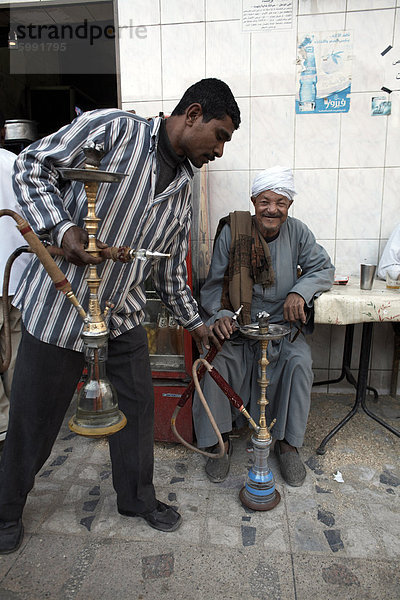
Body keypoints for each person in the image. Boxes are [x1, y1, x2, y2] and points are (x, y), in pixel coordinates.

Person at [0, 78, 241, 554]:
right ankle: (5, 510)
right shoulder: (113, 129)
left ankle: (135, 498)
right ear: (192, 114)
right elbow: (31, 165)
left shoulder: (184, 188)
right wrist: (63, 228)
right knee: (35, 418)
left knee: (135, 408)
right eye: (219, 135)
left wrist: (197, 324)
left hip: (120, 312)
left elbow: (169, 269)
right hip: (60, 305)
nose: (219, 150)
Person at [192, 166, 335, 487]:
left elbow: (323, 268)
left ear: (289, 207)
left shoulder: (298, 232)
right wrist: (221, 315)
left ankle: (288, 445)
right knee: (214, 361)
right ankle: (220, 442)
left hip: (281, 329)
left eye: (280, 203)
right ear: (254, 201)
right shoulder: (235, 231)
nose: (273, 209)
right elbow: (214, 286)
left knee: (300, 363)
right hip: (240, 328)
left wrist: (300, 290)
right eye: (266, 201)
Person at [0, 111, 31, 443]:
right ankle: (21, 420)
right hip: (19, 275)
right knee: (16, 349)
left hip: (8, 273)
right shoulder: (16, 164)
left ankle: (4, 426)